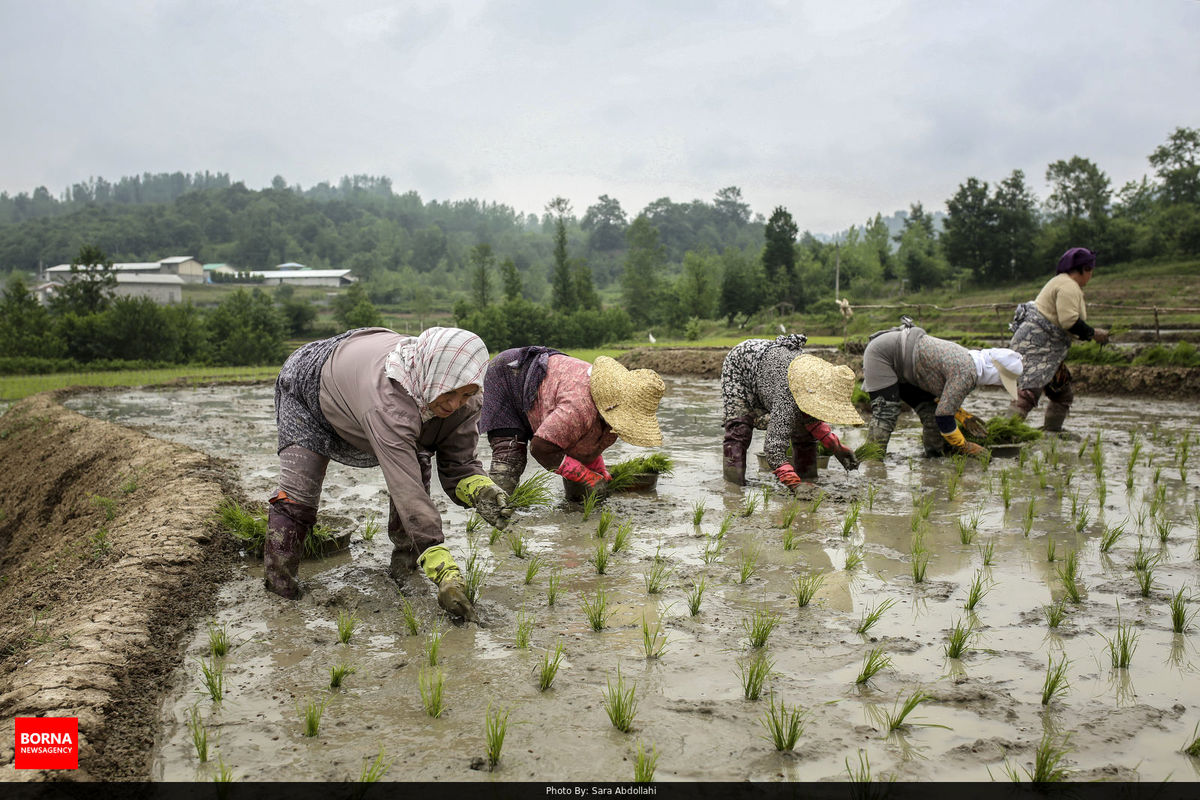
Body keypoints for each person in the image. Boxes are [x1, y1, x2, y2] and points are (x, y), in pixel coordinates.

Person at [265, 326, 513, 621]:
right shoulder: (389, 404)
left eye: (466, 393)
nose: (454, 403)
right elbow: (405, 488)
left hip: (364, 370)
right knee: (299, 495)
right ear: (433, 376)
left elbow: (459, 463)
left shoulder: (465, 399)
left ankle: (404, 569)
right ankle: (280, 590)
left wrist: (480, 488)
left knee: (419, 458)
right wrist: (442, 567)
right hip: (311, 387)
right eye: (449, 392)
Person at [480, 347, 665, 497]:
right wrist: (584, 476)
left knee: (578, 439)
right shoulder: (579, 407)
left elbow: (586, 443)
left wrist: (598, 470)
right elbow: (541, 448)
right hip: (509, 376)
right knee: (511, 457)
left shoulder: (606, 417)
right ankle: (494, 510)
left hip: (551, 390)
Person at [720, 334, 863, 489]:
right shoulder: (788, 393)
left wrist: (836, 447)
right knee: (739, 431)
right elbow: (773, 449)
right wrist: (794, 484)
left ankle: (808, 478)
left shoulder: (812, 381)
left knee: (804, 433)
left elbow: (810, 419)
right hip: (741, 366)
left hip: (771, 368)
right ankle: (733, 487)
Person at [861, 322, 1021, 457]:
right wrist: (964, 446)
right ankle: (872, 462)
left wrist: (963, 416)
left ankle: (934, 457)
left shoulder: (970, 362)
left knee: (930, 411)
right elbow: (944, 415)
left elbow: (943, 402)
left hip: (908, 365)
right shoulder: (967, 372)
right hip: (883, 356)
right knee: (886, 412)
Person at [1007, 247, 1109, 431]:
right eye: (1090, 270)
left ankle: (1051, 434)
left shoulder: (1060, 282)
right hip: (1037, 347)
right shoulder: (1068, 286)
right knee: (1029, 392)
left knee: (1061, 393)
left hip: (1046, 350)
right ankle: (1004, 433)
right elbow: (1069, 321)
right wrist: (1094, 333)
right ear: (1083, 269)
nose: (1091, 275)